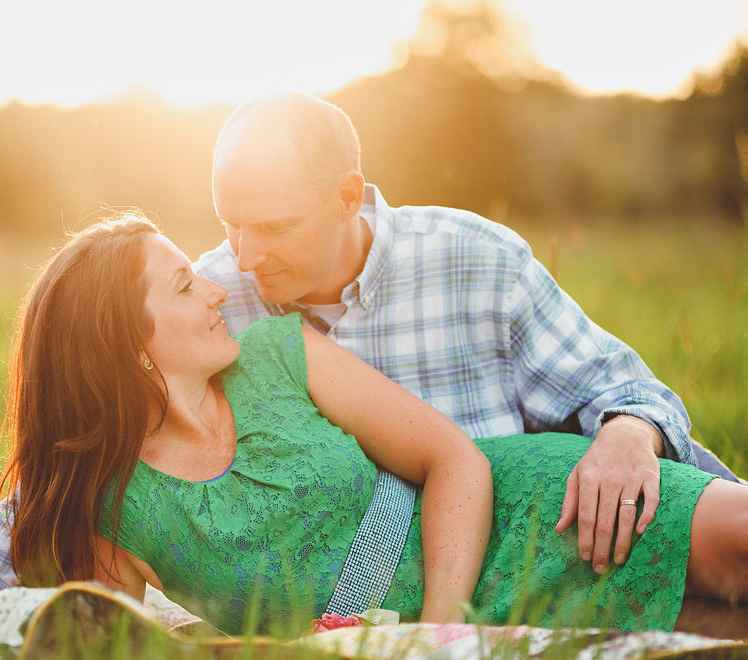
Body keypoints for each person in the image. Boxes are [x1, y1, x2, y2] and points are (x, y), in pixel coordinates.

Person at [0, 216, 747, 639]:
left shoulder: (281, 354)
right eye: (186, 285)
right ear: (126, 344)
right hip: (488, 622)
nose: (219, 290)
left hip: (525, 510)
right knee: (722, 631)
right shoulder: (109, 510)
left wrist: (437, 637)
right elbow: (106, 651)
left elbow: (454, 458)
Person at [193, 92, 743, 579]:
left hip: (549, 550)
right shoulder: (207, 303)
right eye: (229, 224)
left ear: (346, 197)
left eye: (272, 227)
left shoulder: (476, 260)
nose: (244, 256)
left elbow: (624, 391)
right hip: (366, 593)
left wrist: (628, 433)